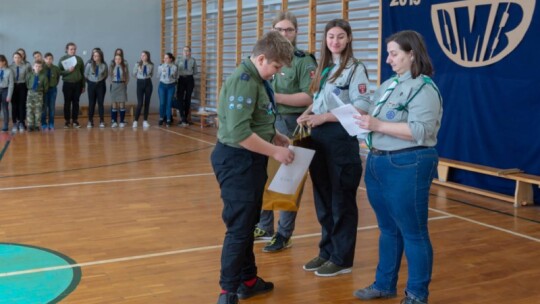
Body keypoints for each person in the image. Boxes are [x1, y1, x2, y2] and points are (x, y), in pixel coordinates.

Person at [352, 30, 442, 304]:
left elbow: (422, 131)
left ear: (411, 54)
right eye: (388, 53)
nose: (388, 59)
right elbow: (374, 116)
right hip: (378, 160)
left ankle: (416, 295)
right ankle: (384, 284)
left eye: (394, 53)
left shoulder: (425, 88)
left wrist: (377, 125)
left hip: (408, 162)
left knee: (414, 232)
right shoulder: (390, 85)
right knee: (388, 229)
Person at [210, 31, 294, 304]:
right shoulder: (244, 81)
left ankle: (247, 280)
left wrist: (274, 135)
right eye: (276, 67)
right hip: (238, 160)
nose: (277, 73)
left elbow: (255, 120)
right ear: (261, 58)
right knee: (238, 229)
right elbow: (238, 134)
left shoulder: (257, 78)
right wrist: (276, 152)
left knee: (247, 225)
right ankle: (228, 292)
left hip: (249, 160)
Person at [297, 19, 370, 277]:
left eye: (340, 36)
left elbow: (361, 106)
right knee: (323, 198)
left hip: (340, 138)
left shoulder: (355, 68)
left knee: (341, 200)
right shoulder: (325, 67)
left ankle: (342, 258)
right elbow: (318, 99)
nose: (335, 41)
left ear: (349, 38)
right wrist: (306, 114)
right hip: (318, 136)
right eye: (331, 37)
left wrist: (324, 117)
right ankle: (326, 251)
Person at [254, 11, 317, 253]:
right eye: (279, 30)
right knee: (265, 175)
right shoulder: (264, 58)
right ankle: (265, 225)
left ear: (296, 32)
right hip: (267, 122)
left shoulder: (302, 61)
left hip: (293, 123)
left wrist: (274, 96)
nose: (284, 34)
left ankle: (284, 233)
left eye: (289, 30)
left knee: (289, 180)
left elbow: (309, 96)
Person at [58, 42, 85, 128]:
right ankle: (67, 121)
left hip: (78, 84)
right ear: (67, 50)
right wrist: (68, 71)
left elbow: (82, 73)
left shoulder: (79, 59)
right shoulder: (63, 59)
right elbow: (59, 72)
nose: (73, 51)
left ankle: (75, 120)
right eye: (71, 49)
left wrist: (83, 85)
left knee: (76, 102)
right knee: (67, 102)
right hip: (67, 84)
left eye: (74, 49)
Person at [84, 49, 108, 128]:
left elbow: (105, 74)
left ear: (101, 56)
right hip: (91, 84)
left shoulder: (104, 65)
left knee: (100, 103)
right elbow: (86, 74)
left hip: (100, 84)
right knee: (91, 103)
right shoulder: (89, 64)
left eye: (97, 56)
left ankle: (101, 121)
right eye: (94, 56)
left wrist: (99, 80)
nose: (95, 57)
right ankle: (90, 121)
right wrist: (91, 81)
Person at [175, 46, 197, 126]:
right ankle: (182, 117)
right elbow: (175, 69)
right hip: (181, 79)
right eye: (184, 50)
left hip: (189, 79)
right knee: (179, 98)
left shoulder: (193, 60)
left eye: (187, 51)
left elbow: (195, 71)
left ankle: (186, 118)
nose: (186, 52)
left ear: (190, 52)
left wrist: (188, 74)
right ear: (182, 52)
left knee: (188, 98)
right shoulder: (178, 60)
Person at [10, 51, 31, 132]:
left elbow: (27, 78)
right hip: (13, 86)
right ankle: (15, 123)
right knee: (14, 105)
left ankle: (22, 122)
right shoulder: (10, 67)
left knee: (22, 105)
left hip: (22, 86)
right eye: (15, 57)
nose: (17, 59)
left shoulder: (25, 66)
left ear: (21, 58)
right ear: (13, 58)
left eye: (18, 57)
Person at [25, 60, 48, 131]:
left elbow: (46, 87)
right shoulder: (29, 75)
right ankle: (30, 125)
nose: (37, 68)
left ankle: (37, 125)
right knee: (29, 109)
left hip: (39, 94)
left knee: (38, 110)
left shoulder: (44, 76)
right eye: (36, 66)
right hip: (30, 93)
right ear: (33, 67)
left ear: (41, 68)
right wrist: (30, 89)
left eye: (39, 66)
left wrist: (41, 92)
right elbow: (27, 83)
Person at [132, 51, 154, 128]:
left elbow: (151, 74)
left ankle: (145, 120)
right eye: (141, 55)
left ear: (147, 56)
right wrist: (140, 78)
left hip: (148, 83)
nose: (142, 56)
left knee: (147, 103)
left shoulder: (151, 65)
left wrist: (145, 78)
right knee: (140, 103)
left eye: (144, 55)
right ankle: (135, 121)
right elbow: (134, 73)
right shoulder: (137, 64)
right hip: (140, 83)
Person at [41, 53, 61, 130]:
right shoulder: (42, 68)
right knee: (44, 108)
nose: (49, 60)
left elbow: (58, 78)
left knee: (52, 107)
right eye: (47, 59)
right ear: (44, 59)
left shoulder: (56, 68)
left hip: (52, 89)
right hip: (44, 90)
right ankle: (43, 123)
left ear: (52, 59)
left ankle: (51, 123)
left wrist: (54, 84)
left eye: (50, 59)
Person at [157, 52, 177, 127]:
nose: (164, 59)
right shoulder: (160, 66)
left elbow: (175, 77)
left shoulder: (174, 67)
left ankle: (168, 119)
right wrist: (162, 71)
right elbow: (157, 75)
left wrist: (171, 72)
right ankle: (161, 117)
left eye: (166, 58)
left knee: (169, 103)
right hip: (162, 85)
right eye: (164, 58)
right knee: (162, 103)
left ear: (170, 59)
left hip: (171, 86)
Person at [109, 54, 129, 128]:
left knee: (122, 104)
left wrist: (124, 83)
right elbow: (109, 76)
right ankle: (114, 121)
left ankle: (121, 121)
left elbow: (127, 76)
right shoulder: (112, 67)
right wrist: (112, 83)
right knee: (114, 104)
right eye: (116, 59)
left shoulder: (124, 67)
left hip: (121, 85)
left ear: (121, 60)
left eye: (119, 59)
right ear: (114, 60)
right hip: (114, 85)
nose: (117, 60)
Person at [0, 55, 14, 132]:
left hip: (5, 90)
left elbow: (11, 84)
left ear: (4, 62)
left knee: (5, 108)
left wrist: (9, 95)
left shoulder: (9, 71)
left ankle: (5, 124)